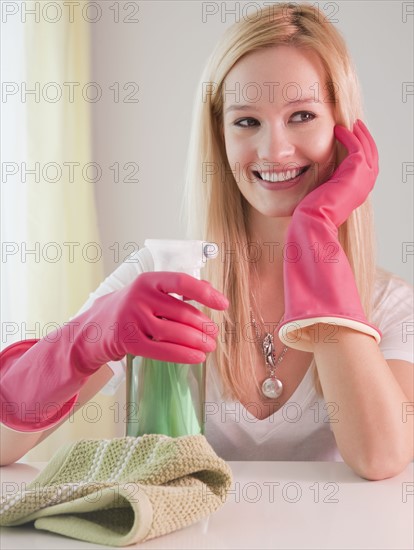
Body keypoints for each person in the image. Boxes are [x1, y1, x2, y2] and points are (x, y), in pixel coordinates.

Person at [1, 3, 413, 480]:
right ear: (219, 136)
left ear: (343, 132)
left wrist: (314, 234)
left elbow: (381, 458)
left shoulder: (390, 306)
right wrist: (92, 335)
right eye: (246, 121)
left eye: (301, 115)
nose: (274, 150)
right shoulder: (163, 279)